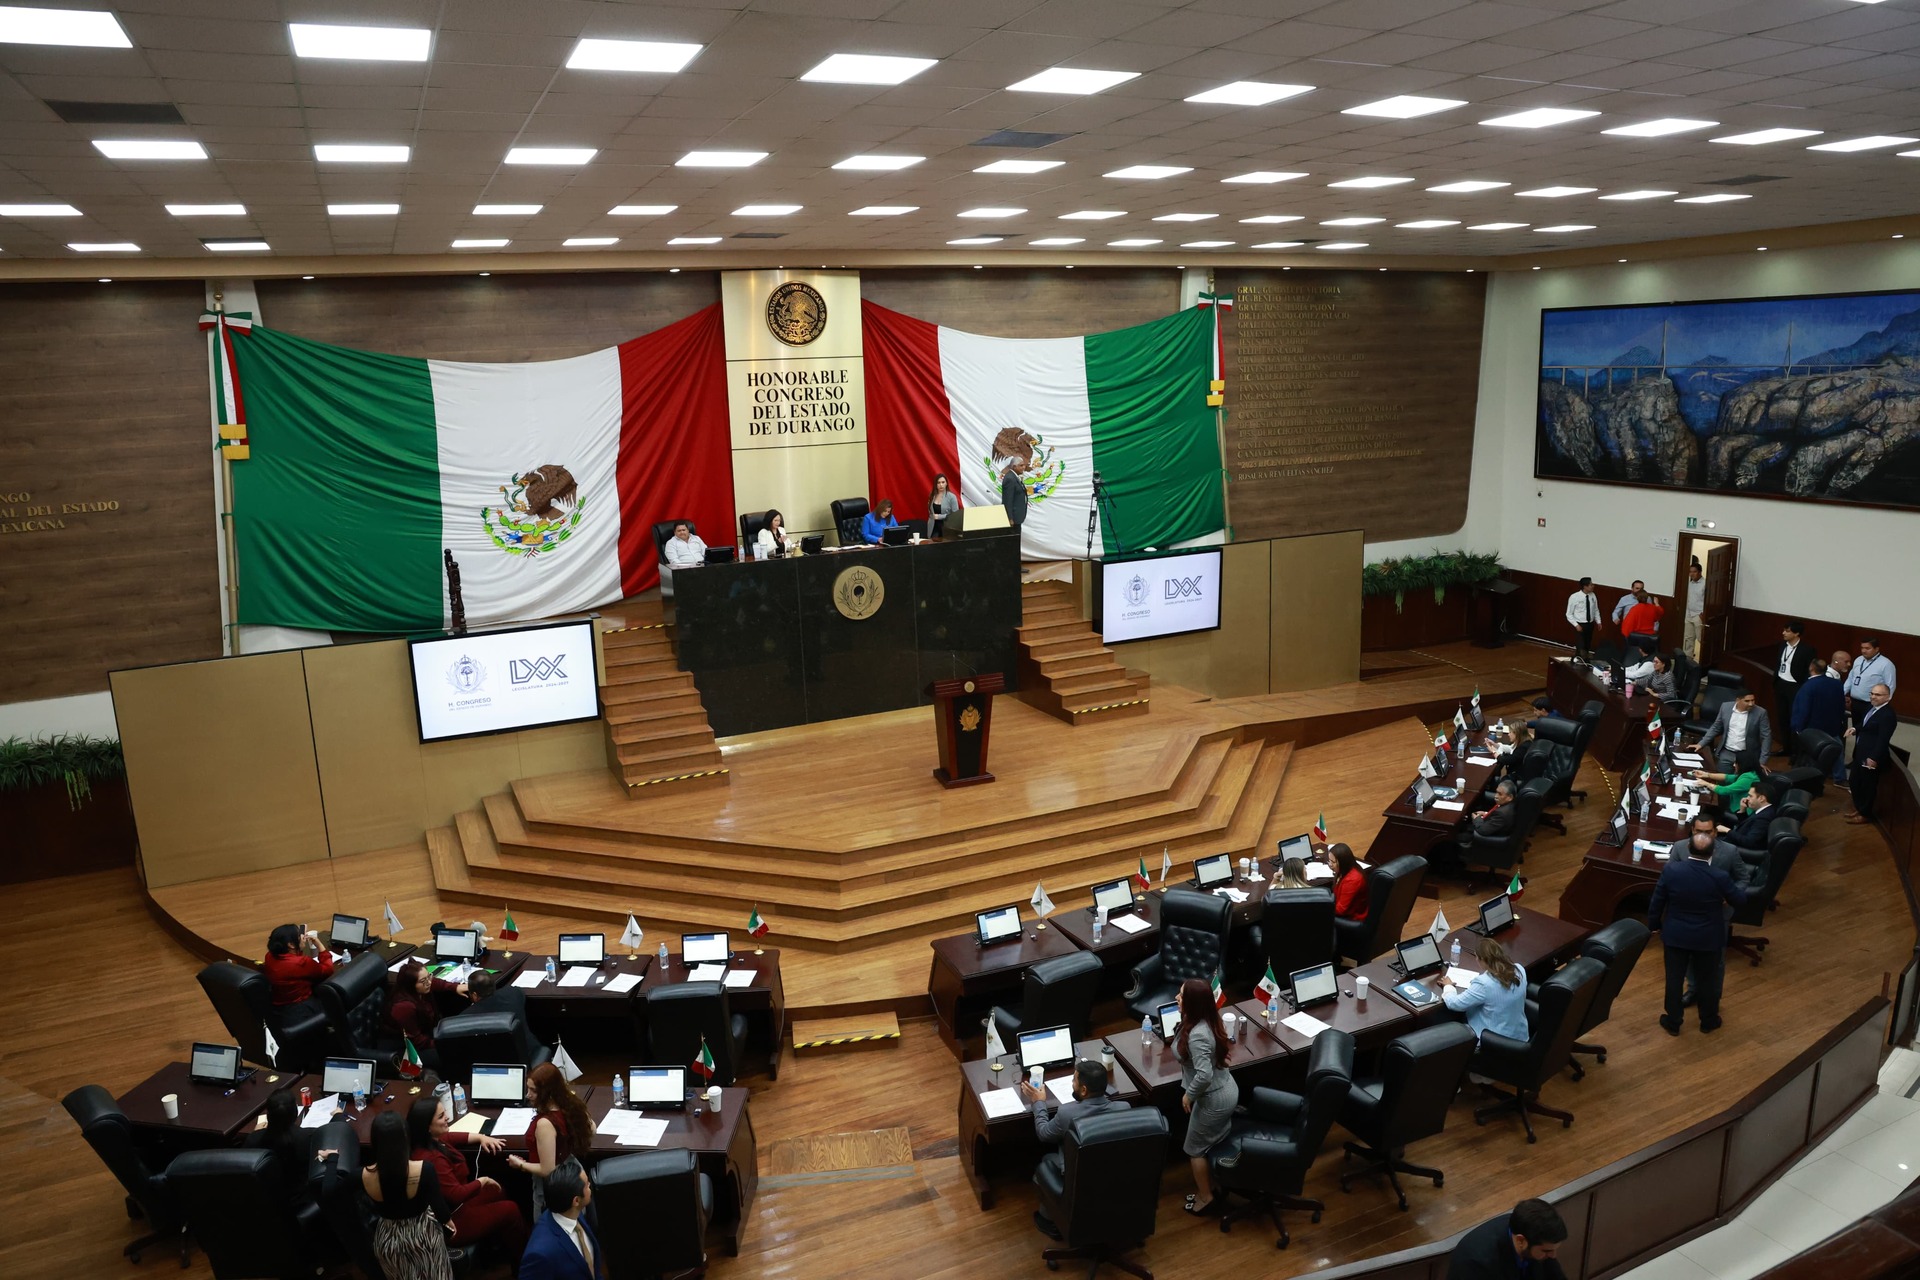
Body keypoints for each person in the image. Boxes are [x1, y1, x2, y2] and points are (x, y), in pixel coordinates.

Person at [407, 1099, 528, 1267]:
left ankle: (496, 1243)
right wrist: (482, 1181)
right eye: (441, 1116)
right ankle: (523, 1262)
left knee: (497, 1190)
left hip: (457, 1205)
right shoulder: (433, 1159)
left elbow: (451, 1136)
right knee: (511, 1210)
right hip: (453, 1221)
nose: (447, 1117)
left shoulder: (429, 1140)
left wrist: (481, 1137)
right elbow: (456, 1195)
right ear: (427, 1126)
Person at [1648, 829, 1746, 1034]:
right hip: (1708, 937)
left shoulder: (1671, 870)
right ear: (1712, 852)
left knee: (1674, 979)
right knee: (1707, 980)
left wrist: (1654, 924)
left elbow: (1657, 900)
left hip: (1676, 934)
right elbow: (1739, 900)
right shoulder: (1720, 876)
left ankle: (1673, 1022)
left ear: (1688, 848)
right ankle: (1708, 1021)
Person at [1019, 1058, 1130, 1238]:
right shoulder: (1124, 1108)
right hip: (1115, 1177)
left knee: (1047, 1161)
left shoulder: (1067, 1113)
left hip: (1080, 1179)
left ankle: (1051, 1222)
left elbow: (1044, 1134)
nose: (1072, 1084)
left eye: (1074, 1080)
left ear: (1084, 1090)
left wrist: (1038, 1103)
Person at [362, 1110, 454, 1280]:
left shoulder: (362, 1175)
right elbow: (442, 1213)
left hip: (387, 1242)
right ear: (406, 1137)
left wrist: (332, 1159)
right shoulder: (425, 1169)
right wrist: (450, 1227)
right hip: (424, 1239)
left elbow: (329, 1189)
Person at [1172, 976, 1237, 1216]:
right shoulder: (1207, 1019)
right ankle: (1214, 1185)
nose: (1176, 998)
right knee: (1208, 1141)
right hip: (1225, 1088)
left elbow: (1204, 1075)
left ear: (1192, 1003)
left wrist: (1188, 1096)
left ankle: (1206, 1197)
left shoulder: (1198, 1034)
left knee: (1194, 1149)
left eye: (1181, 996)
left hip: (1214, 1099)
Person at [505, 1062, 595, 1214]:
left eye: (533, 1091)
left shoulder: (545, 1124)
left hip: (554, 1187)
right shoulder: (570, 1104)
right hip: (572, 1171)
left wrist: (520, 1164)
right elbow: (592, 1129)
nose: (528, 1095)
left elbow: (547, 1169)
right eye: (528, 1089)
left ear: (548, 1092)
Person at [520, 1159, 604, 1280]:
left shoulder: (573, 1213)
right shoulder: (540, 1253)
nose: (590, 1185)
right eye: (586, 1185)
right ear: (576, 1200)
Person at [1447, 1198, 1570, 1280]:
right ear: (1521, 1241)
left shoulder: (1538, 1242)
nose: (1553, 1255)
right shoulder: (1477, 1263)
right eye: (1547, 1251)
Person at [244, 1089, 323, 1210]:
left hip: (268, 1203)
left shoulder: (253, 1140)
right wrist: (338, 1116)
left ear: (268, 1115)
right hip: (300, 1201)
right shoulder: (308, 1137)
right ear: (295, 1112)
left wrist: (256, 1133)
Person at [1441, 937, 1527, 1041]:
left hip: (1495, 1041)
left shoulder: (1484, 983)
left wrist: (1448, 986)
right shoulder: (1519, 969)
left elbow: (1454, 1004)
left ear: (1481, 959)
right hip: (1520, 1037)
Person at [384, 960, 460, 1071]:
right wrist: (443, 1044)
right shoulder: (404, 1007)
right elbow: (417, 1042)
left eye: (429, 977)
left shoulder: (420, 990)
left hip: (426, 1035)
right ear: (411, 985)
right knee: (451, 1054)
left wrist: (455, 987)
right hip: (406, 1049)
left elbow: (435, 983)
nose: (429, 982)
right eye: (423, 981)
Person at [463, 971, 546, 1063]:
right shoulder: (513, 993)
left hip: (498, 1063)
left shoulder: (465, 1018)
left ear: (474, 995)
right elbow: (517, 991)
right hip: (531, 1054)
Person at [1846, 683, 1897, 826]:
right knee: (1854, 782)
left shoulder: (1887, 715)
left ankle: (1865, 814)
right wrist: (1855, 728)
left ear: (1888, 697)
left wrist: (1873, 758)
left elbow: (1883, 740)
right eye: (1872, 693)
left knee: (1867, 786)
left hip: (1870, 756)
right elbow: (1865, 723)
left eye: (1878, 695)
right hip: (1860, 752)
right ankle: (1859, 808)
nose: (1873, 697)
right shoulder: (1871, 707)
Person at [263, 923, 335, 1016]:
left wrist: (298, 948)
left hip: (278, 1005)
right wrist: (319, 945)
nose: (302, 937)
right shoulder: (301, 963)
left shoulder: (269, 956)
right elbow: (328, 970)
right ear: (291, 945)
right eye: (299, 936)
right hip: (301, 1007)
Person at [1791, 658, 1847, 774]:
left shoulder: (1808, 686)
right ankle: (1840, 777)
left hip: (1813, 729)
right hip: (1833, 727)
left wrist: (1798, 728)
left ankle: (1813, 776)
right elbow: (1841, 705)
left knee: (1811, 756)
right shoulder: (1837, 684)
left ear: (1811, 668)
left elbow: (1803, 710)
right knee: (1837, 750)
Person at [1696, 688, 1770, 774]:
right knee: (1721, 777)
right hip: (1727, 753)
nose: (1751, 704)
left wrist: (1762, 761)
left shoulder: (1760, 713)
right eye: (1747, 701)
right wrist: (1701, 744)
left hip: (1747, 755)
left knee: (1742, 780)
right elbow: (1716, 727)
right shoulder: (1725, 707)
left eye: (1753, 700)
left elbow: (1766, 736)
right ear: (1738, 700)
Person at [1770, 620, 1813, 757]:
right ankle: (1786, 748)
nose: (1783, 633)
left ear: (1797, 633)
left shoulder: (1807, 650)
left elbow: (1808, 671)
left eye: (1787, 631)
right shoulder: (1783, 645)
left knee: (1794, 719)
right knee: (1782, 718)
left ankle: (1795, 752)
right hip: (1781, 684)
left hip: (1795, 686)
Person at [1847, 639, 1898, 725]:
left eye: (1867, 648)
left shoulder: (1886, 664)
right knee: (1856, 727)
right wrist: (1841, 693)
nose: (1863, 651)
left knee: (1868, 727)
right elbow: (1850, 678)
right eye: (1862, 648)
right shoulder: (1858, 660)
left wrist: (1883, 705)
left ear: (1876, 649)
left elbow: (1890, 686)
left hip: (1871, 703)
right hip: (1855, 702)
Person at [1721, 778, 1778, 850]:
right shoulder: (1764, 810)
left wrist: (1727, 831)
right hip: (1734, 840)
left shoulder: (1764, 818)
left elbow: (1749, 842)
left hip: (1734, 847)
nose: (1747, 798)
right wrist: (1742, 810)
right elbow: (1748, 826)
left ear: (1761, 798)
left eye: (1750, 796)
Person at [660, 520, 704, 591]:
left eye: (684, 530)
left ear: (688, 530)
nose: (682, 532)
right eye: (679, 531)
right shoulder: (671, 543)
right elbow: (674, 561)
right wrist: (689, 569)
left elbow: (706, 552)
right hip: (685, 571)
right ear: (675, 532)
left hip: (703, 568)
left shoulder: (697, 538)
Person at [1329, 843, 1368, 921]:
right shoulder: (1345, 869)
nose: (1330, 864)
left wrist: (1322, 909)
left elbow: (1340, 910)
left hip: (1351, 918)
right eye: (1329, 860)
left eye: (1333, 862)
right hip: (1342, 910)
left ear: (1343, 862)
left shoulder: (1352, 880)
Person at [1564, 578, 1600, 662]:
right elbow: (1569, 614)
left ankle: (1584, 660)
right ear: (1585, 586)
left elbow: (1595, 610)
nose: (1593, 586)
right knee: (1581, 645)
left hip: (1590, 624)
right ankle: (1579, 659)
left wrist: (1598, 621)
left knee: (1587, 644)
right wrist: (1576, 625)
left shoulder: (1593, 595)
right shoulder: (1574, 597)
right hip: (1580, 624)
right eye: (1591, 585)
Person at [1682, 563, 1705, 661]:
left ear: (1700, 572)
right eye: (1690, 572)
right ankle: (1688, 660)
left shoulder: (1705, 584)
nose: (1692, 574)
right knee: (1688, 638)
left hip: (1699, 615)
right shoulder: (1689, 584)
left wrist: (1703, 614)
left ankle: (1704, 661)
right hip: (1689, 614)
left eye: (1694, 572)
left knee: (1701, 638)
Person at [999, 457, 1029, 529]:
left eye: (1024, 465)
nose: (1024, 467)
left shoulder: (1015, 477)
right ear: (1014, 466)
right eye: (1021, 465)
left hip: (1017, 517)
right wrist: (1010, 518)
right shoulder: (1010, 478)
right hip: (1013, 518)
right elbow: (1007, 500)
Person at [927, 473, 959, 538]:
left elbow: (956, 516)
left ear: (946, 483)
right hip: (933, 527)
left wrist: (939, 516)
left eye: (943, 482)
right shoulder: (932, 496)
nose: (941, 485)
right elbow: (930, 512)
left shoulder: (952, 497)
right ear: (936, 485)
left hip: (947, 527)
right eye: (938, 483)